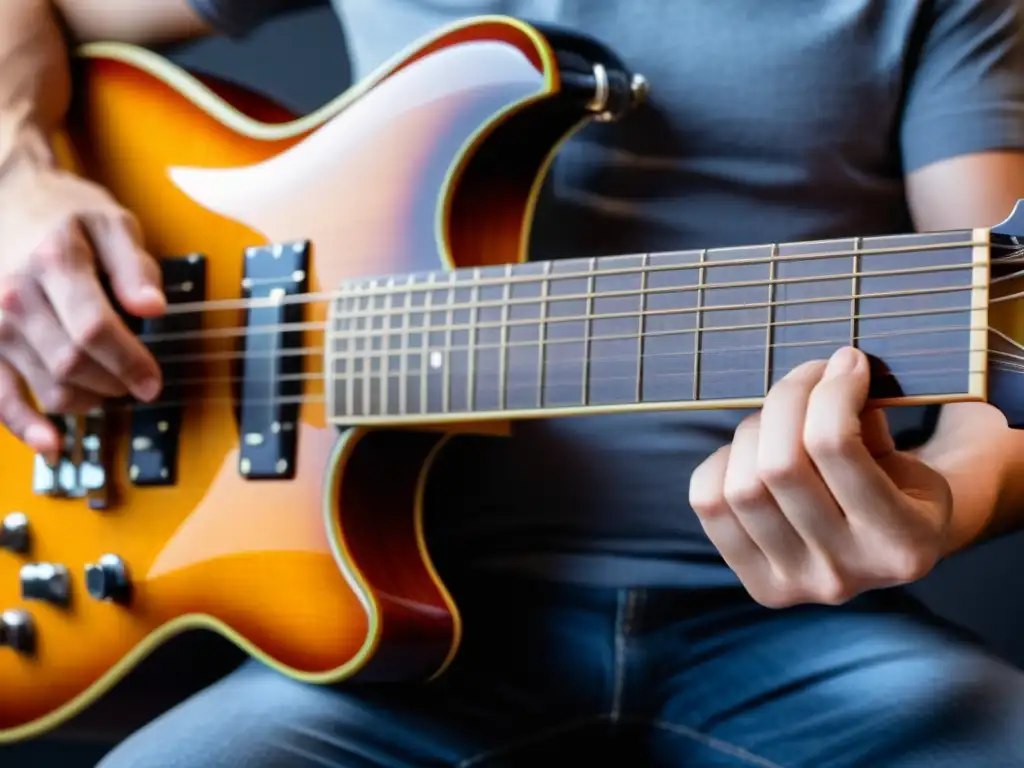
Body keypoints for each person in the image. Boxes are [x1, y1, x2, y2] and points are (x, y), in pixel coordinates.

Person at [4, 0, 1024, 765]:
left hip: (803, 629)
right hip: (396, 637)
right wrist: (19, 178)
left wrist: (940, 500)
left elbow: (996, 360)